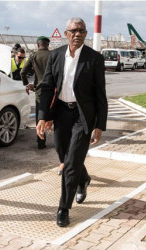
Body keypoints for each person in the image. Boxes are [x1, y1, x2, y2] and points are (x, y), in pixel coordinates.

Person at [36, 17, 108, 227]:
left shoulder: (94, 58)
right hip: (61, 113)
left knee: (70, 164)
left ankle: (63, 208)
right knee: (63, 153)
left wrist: (99, 124)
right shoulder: (55, 56)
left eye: (82, 31)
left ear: (86, 34)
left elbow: (100, 94)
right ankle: (83, 179)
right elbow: (47, 86)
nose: (78, 35)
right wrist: (43, 116)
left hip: (82, 116)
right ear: (66, 34)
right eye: (74, 31)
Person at [21, 36, 51, 151]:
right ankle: (61, 142)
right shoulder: (52, 55)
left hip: (39, 91)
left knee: (40, 117)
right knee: (56, 115)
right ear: (47, 45)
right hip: (53, 90)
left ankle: (41, 143)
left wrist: (26, 84)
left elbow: (23, 72)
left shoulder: (33, 56)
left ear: (38, 45)